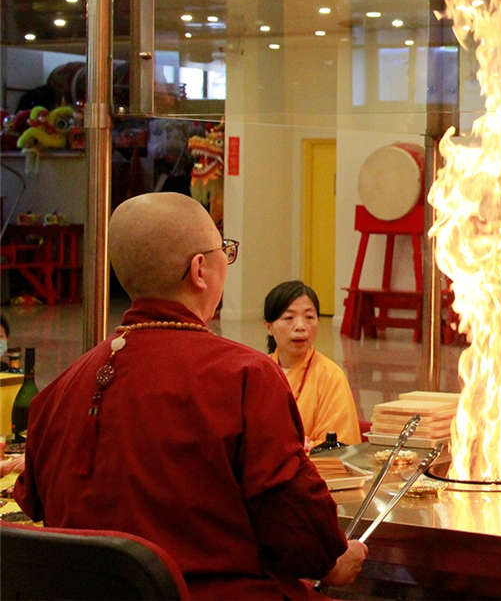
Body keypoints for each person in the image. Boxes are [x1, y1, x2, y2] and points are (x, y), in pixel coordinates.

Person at [15, 193, 365, 599]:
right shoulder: (245, 375)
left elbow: (34, 503)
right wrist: (333, 560)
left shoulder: (61, 388)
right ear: (200, 269)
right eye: (224, 252)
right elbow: (297, 529)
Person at [265, 279, 362, 446]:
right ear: (269, 327)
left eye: (309, 317)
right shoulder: (258, 372)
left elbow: (339, 446)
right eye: (289, 318)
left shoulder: (330, 376)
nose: (300, 327)